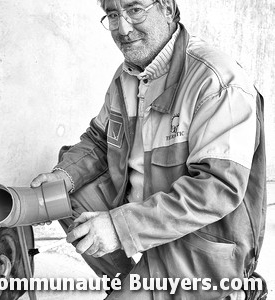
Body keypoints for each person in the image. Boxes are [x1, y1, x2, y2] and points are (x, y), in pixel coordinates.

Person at [31, 0, 267, 299]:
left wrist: (120, 227)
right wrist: (62, 176)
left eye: (134, 10)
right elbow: (99, 140)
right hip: (145, 217)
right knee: (64, 194)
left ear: (167, 8)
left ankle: (229, 290)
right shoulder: (127, 75)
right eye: (113, 15)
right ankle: (133, 284)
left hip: (196, 240)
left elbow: (217, 188)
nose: (123, 28)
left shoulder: (217, 81)